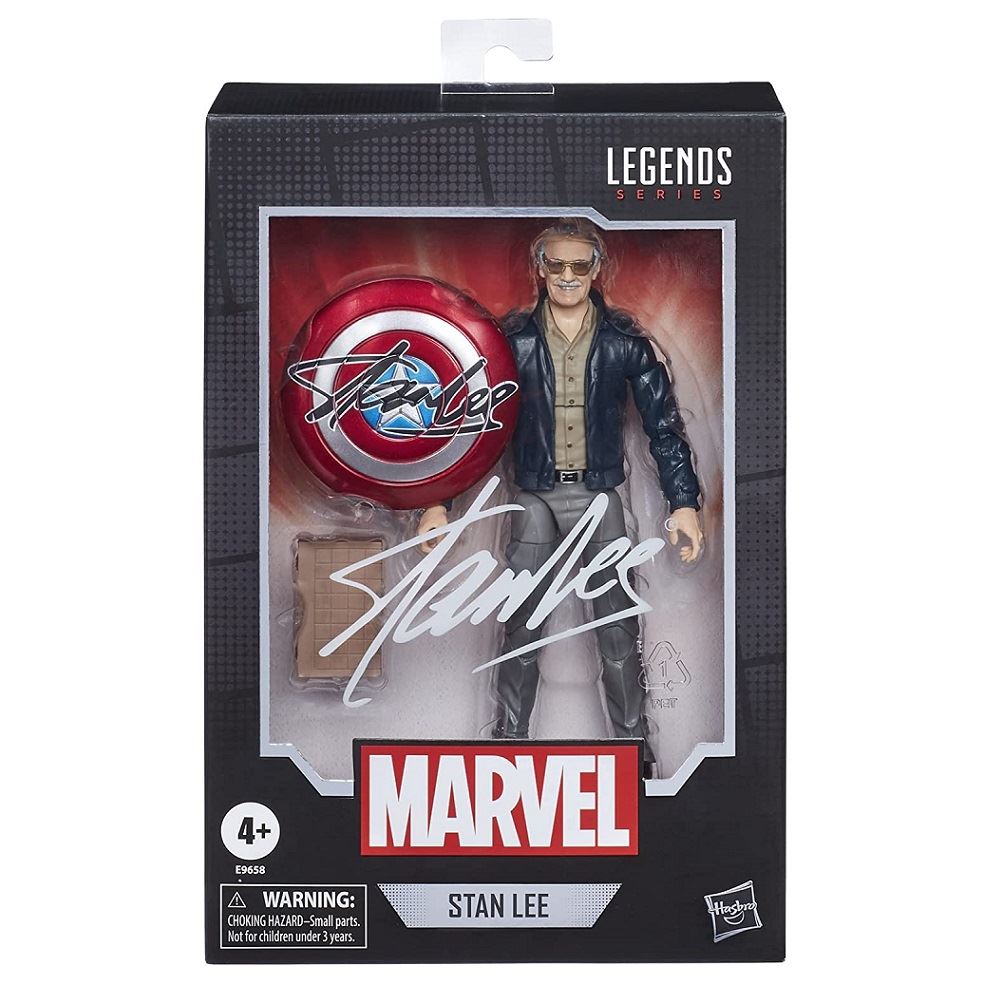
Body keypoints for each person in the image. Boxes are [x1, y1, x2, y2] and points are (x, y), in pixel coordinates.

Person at [418, 218, 703, 769]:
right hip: (533, 498)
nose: (567, 275)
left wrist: (684, 502)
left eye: (578, 265)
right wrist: (439, 501)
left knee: (618, 628)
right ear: (540, 267)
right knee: (522, 625)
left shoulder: (624, 343)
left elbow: (664, 428)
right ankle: (507, 745)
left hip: (599, 498)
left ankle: (632, 750)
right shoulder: (511, 342)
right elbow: (470, 426)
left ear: (596, 268)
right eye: (556, 264)